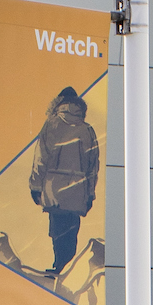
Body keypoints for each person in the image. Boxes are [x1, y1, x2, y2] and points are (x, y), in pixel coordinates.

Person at [29, 87, 100, 277]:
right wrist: (90, 193)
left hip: (54, 189)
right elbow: (93, 165)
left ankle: (58, 264)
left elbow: (40, 158)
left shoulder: (51, 125)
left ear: (58, 103)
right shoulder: (87, 130)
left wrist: (35, 186)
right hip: (77, 190)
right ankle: (66, 267)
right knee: (71, 230)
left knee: (57, 228)